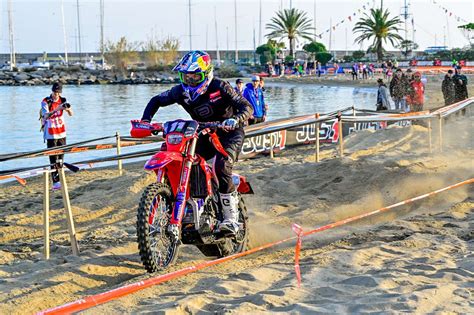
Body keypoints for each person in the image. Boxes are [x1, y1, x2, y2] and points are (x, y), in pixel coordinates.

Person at [140, 50, 253, 235]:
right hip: (202, 132)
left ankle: (230, 218)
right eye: (186, 76)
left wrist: (236, 119)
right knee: (186, 160)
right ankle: (188, 205)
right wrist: (145, 121)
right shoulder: (180, 92)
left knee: (221, 166)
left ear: (206, 74)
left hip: (229, 132)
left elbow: (246, 106)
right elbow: (156, 100)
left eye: (194, 76)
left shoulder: (220, 86)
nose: (189, 80)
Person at [40, 82, 73, 190]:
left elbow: (71, 114)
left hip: (61, 132)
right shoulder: (46, 101)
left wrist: (67, 109)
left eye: (58, 93)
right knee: (53, 158)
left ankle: (60, 178)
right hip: (51, 133)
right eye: (55, 92)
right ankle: (55, 182)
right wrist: (56, 109)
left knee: (61, 156)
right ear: (52, 91)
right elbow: (45, 116)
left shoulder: (63, 100)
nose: (56, 94)